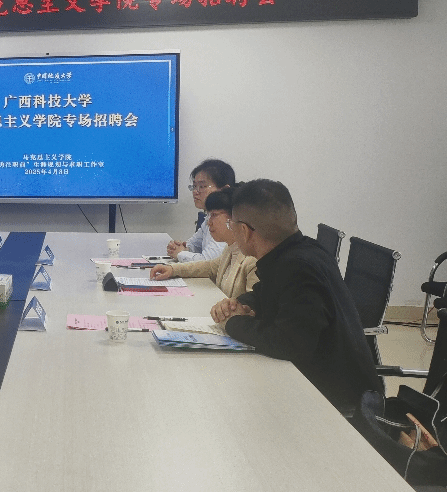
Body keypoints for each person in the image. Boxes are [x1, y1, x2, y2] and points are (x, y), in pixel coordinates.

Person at [209, 179, 382, 412]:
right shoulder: (299, 251)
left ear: (244, 231)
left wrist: (232, 322)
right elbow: (265, 294)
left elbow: (288, 343)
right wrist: (236, 304)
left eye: (232, 226)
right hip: (318, 384)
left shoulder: (298, 268)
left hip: (341, 406)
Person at [150, 185, 257, 298]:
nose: (208, 222)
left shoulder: (252, 260)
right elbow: (210, 267)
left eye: (214, 215)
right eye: (209, 215)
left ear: (234, 217)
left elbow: (254, 305)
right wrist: (172, 270)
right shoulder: (230, 248)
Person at [166, 159, 235, 262]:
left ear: (224, 190)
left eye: (202, 186)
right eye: (194, 186)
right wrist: (182, 248)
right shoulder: (209, 216)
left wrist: (180, 253)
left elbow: (209, 261)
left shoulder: (229, 219)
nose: (195, 192)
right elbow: (194, 245)